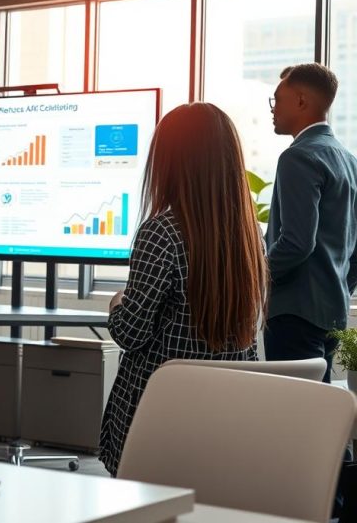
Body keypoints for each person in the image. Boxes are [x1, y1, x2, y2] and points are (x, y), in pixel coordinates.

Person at [99, 103, 267, 476]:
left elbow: (131, 332)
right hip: (227, 417)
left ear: (170, 162)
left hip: (158, 416)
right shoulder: (251, 235)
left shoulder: (162, 231)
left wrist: (117, 303)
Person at [264, 63, 357, 383]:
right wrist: (338, 289)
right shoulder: (347, 159)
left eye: (278, 100)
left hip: (294, 313)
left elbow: (296, 243)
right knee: (315, 418)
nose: (273, 110)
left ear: (301, 101)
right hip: (332, 312)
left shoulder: (298, 156)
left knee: (291, 421)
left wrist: (254, 279)